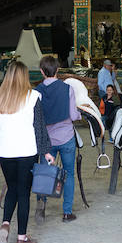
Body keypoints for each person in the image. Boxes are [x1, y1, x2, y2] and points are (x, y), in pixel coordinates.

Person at [0, 61, 53, 243]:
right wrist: (46, 151)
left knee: (12, 188)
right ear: (25, 77)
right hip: (27, 152)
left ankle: (5, 223)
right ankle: (21, 238)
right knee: (23, 193)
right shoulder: (33, 97)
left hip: (6, 152)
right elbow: (39, 127)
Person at [35, 55, 81, 223]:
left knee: (44, 174)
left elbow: (35, 118)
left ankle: (41, 207)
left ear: (41, 71)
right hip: (66, 137)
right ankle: (67, 212)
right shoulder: (68, 89)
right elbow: (74, 115)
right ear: (58, 70)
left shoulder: (36, 92)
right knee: (68, 174)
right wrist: (79, 113)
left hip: (46, 141)